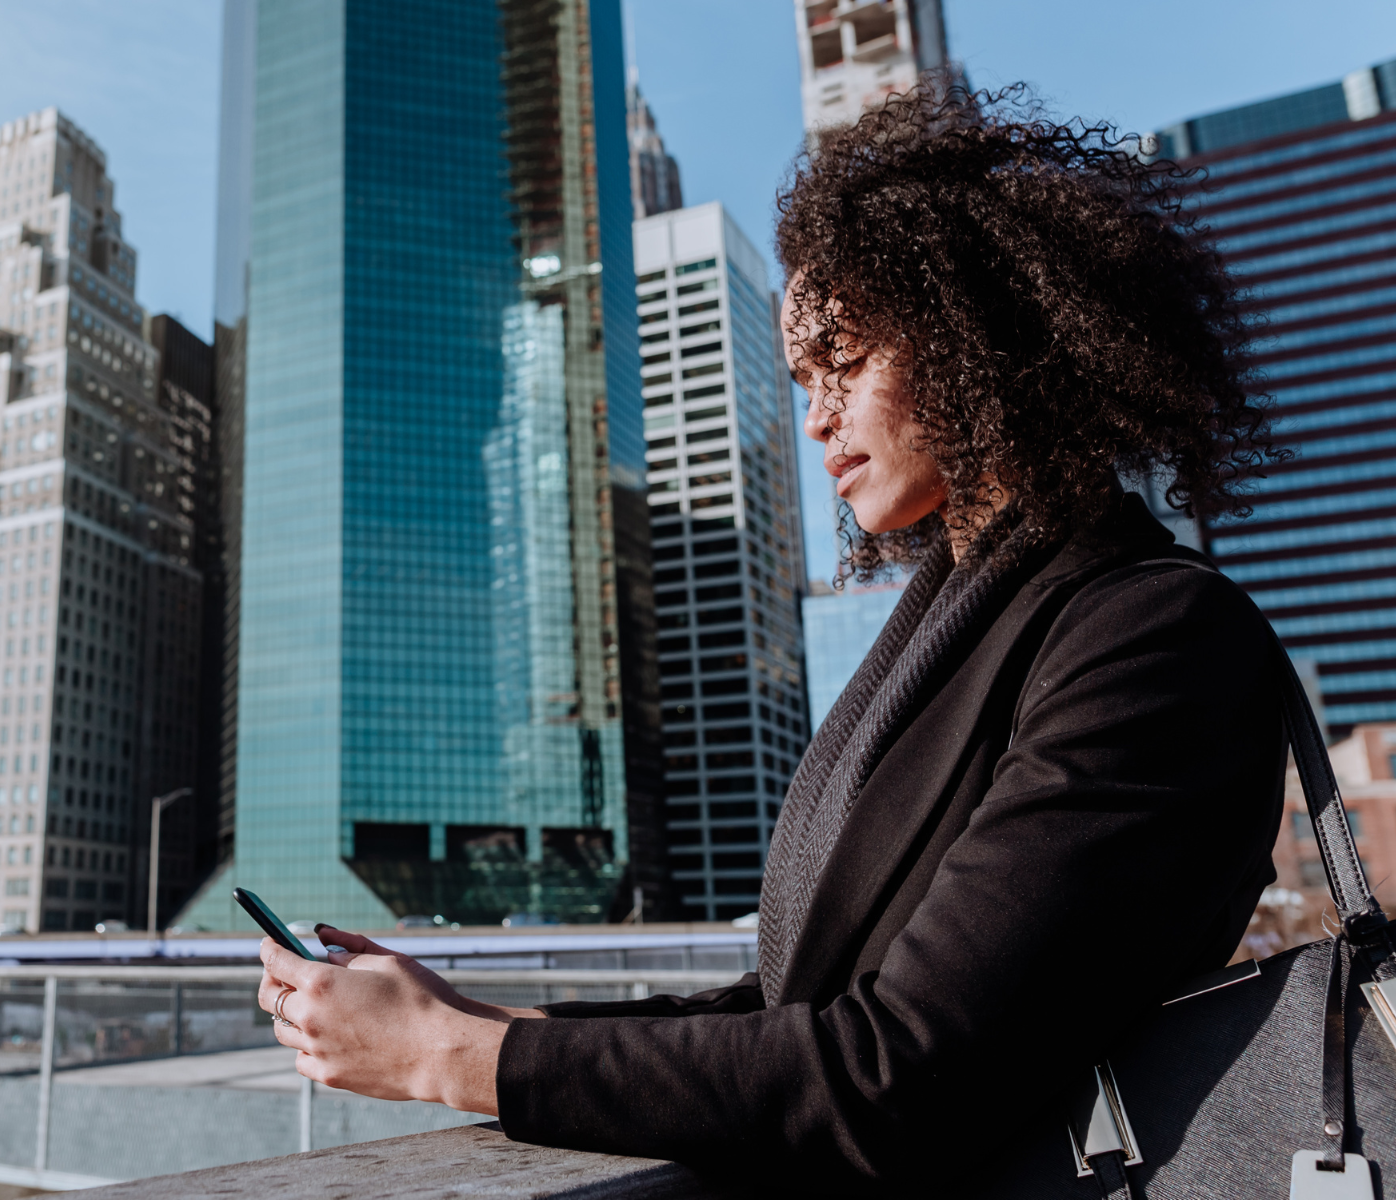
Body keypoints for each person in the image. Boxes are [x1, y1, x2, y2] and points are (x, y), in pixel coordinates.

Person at [256, 83, 1286, 1194]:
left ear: (973, 336)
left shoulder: (1149, 634)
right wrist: (475, 1016)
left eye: (842, 362)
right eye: (800, 381)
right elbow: (800, 1002)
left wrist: (447, 1059)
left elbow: (895, 1073)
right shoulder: (952, 621)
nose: (812, 419)